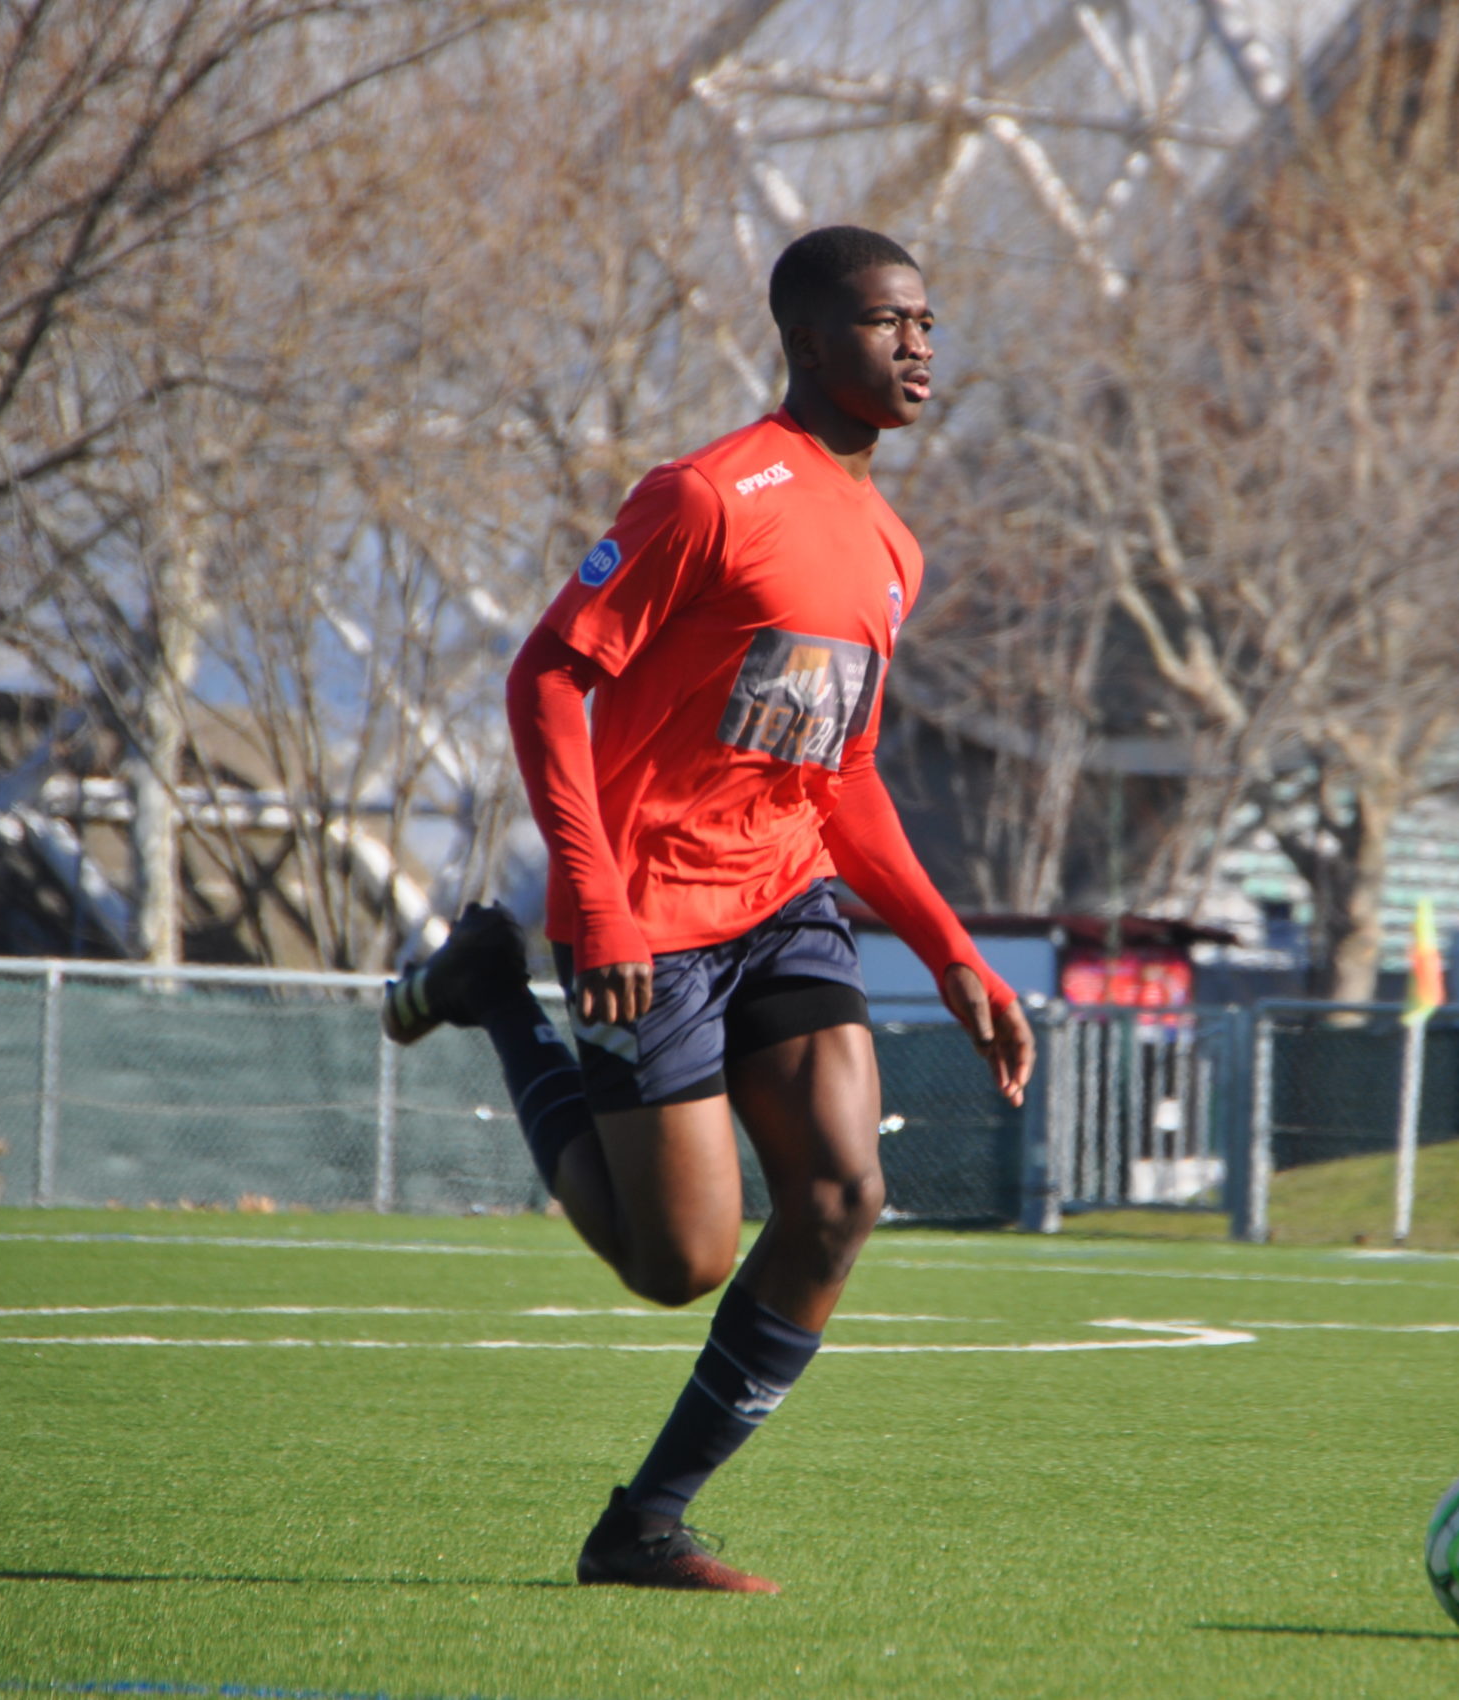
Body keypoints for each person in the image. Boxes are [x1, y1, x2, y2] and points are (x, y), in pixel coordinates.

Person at [380, 225, 1034, 1594]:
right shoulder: (709, 496)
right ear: (806, 341)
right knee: (676, 1262)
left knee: (844, 1196)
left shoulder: (895, 548)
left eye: (926, 321)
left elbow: (838, 777)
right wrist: (600, 905)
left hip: (785, 897)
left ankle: (645, 1523)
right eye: (882, 322)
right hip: (649, 913)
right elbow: (545, 680)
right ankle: (495, 992)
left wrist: (954, 954)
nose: (916, 344)